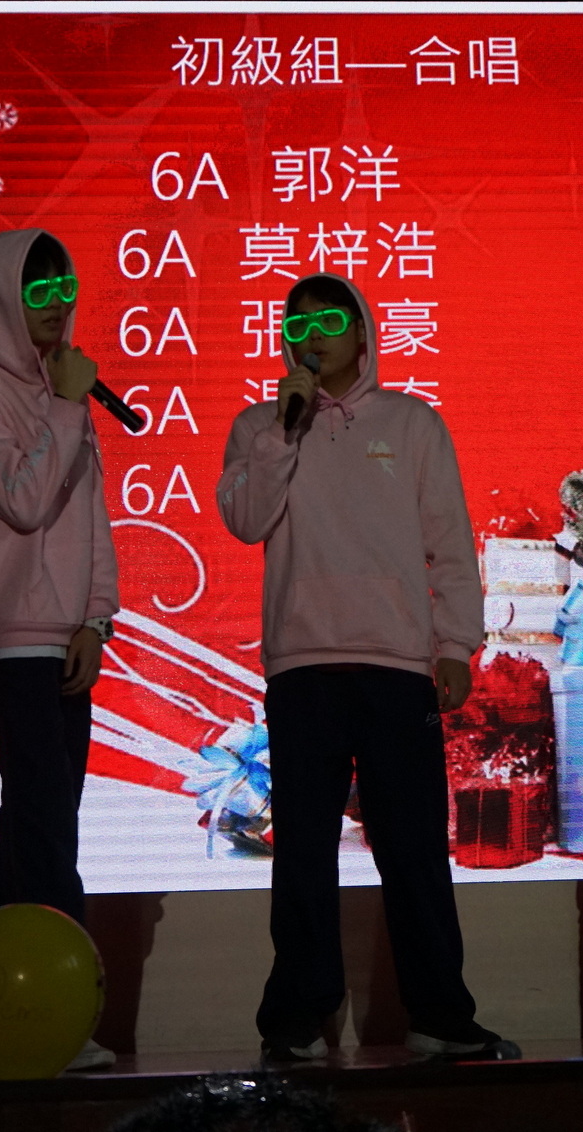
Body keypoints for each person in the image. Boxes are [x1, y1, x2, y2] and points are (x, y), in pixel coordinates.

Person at [216, 274, 516, 1063]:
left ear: (361, 330)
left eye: (328, 319)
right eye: (297, 323)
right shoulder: (258, 425)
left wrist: (455, 644)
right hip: (302, 663)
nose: (312, 333)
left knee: (412, 846)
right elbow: (244, 518)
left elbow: (449, 542)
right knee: (304, 850)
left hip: (396, 665)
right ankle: (298, 1016)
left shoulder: (412, 422)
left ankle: (439, 1012)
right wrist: (283, 432)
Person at [0, 229, 119, 1071]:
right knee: (42, 823)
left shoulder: (59, 389)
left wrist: (97, 620)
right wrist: (66, 408)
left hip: (66, 635)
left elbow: (92, 521)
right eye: (38, 292)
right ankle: (49, 1010)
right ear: (0, 300)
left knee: (40, 820)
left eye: (63, 288)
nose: (57, 306)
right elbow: (27, 499)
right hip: (10, 636)